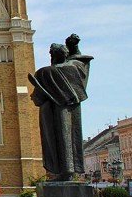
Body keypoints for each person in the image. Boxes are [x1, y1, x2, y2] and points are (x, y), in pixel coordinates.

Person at [30, 41, 91, 180]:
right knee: (67, 140)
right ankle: (68, 171)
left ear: (53, 56)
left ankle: (64, 172)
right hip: (70, 113)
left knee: (57, 140)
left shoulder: (45, 72)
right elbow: (81, 64)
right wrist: (74, 48)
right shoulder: (73, 69)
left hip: (52, 114)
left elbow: (37, 97)